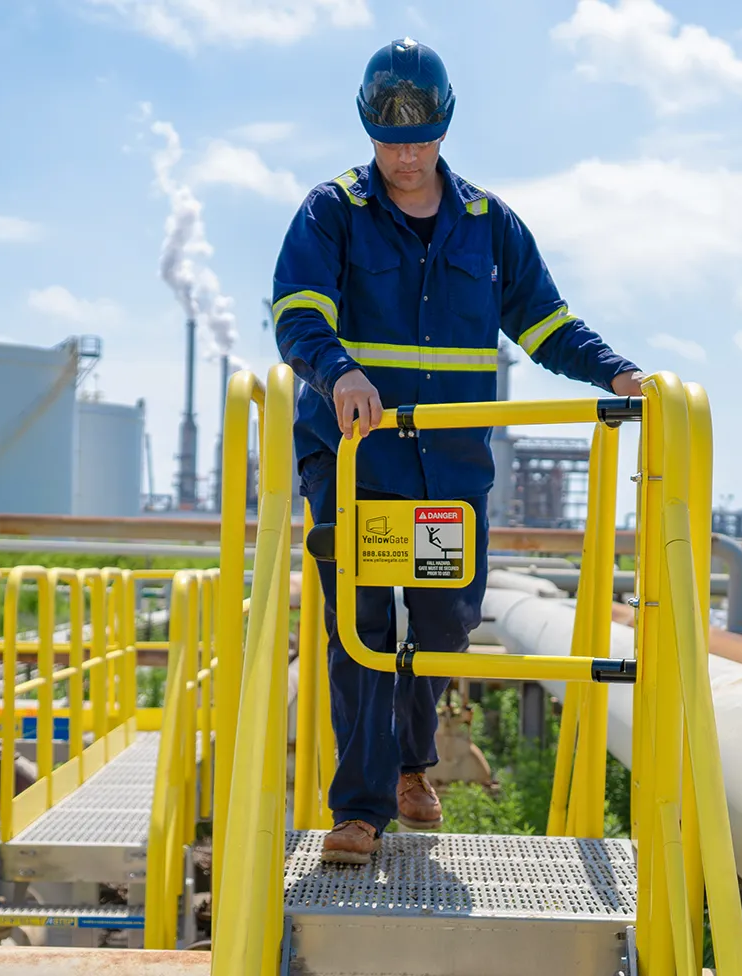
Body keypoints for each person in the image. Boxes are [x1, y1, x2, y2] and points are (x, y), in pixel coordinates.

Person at [271, 37, 645, 864]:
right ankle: (361, 811)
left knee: (444, 617)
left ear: (445, 127)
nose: (405, 155)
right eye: (390, 140)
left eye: (420, 138)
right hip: (356, 463)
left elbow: (546, 323)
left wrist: (615, 370)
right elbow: (297, 316)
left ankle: (411, 762)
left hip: (449, 468)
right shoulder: (331, 210)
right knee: (362, 628)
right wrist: (337, 372)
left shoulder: (488, 225)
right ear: (367, 129)